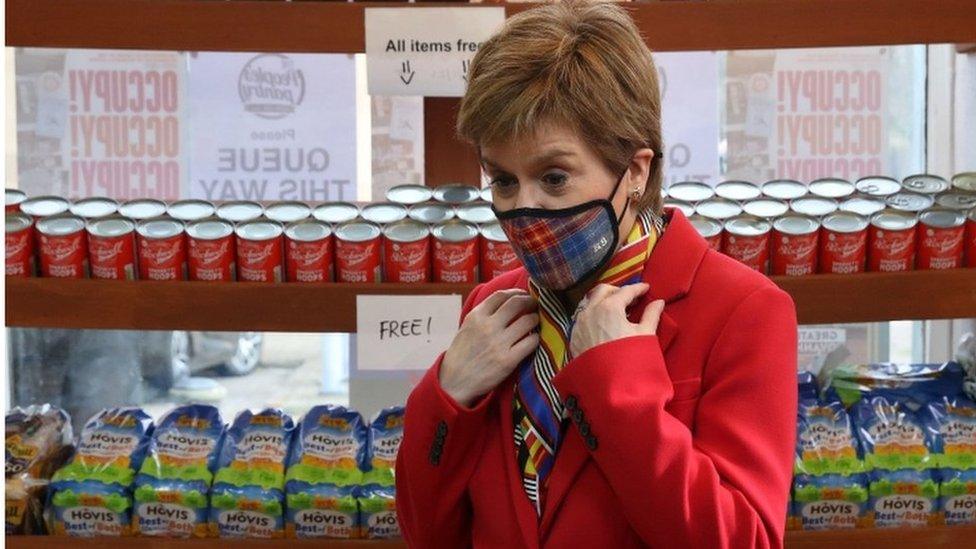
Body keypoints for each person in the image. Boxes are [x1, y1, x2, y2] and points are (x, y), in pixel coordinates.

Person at [395, 2, 798, 547]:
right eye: (504, 180)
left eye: (554, 177)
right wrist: (445, 396)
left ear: (635, 169)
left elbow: (741, 538)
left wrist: (618, 392)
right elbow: (430, 534)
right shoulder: (492, 307)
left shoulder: (742, 310)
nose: (524, 209)